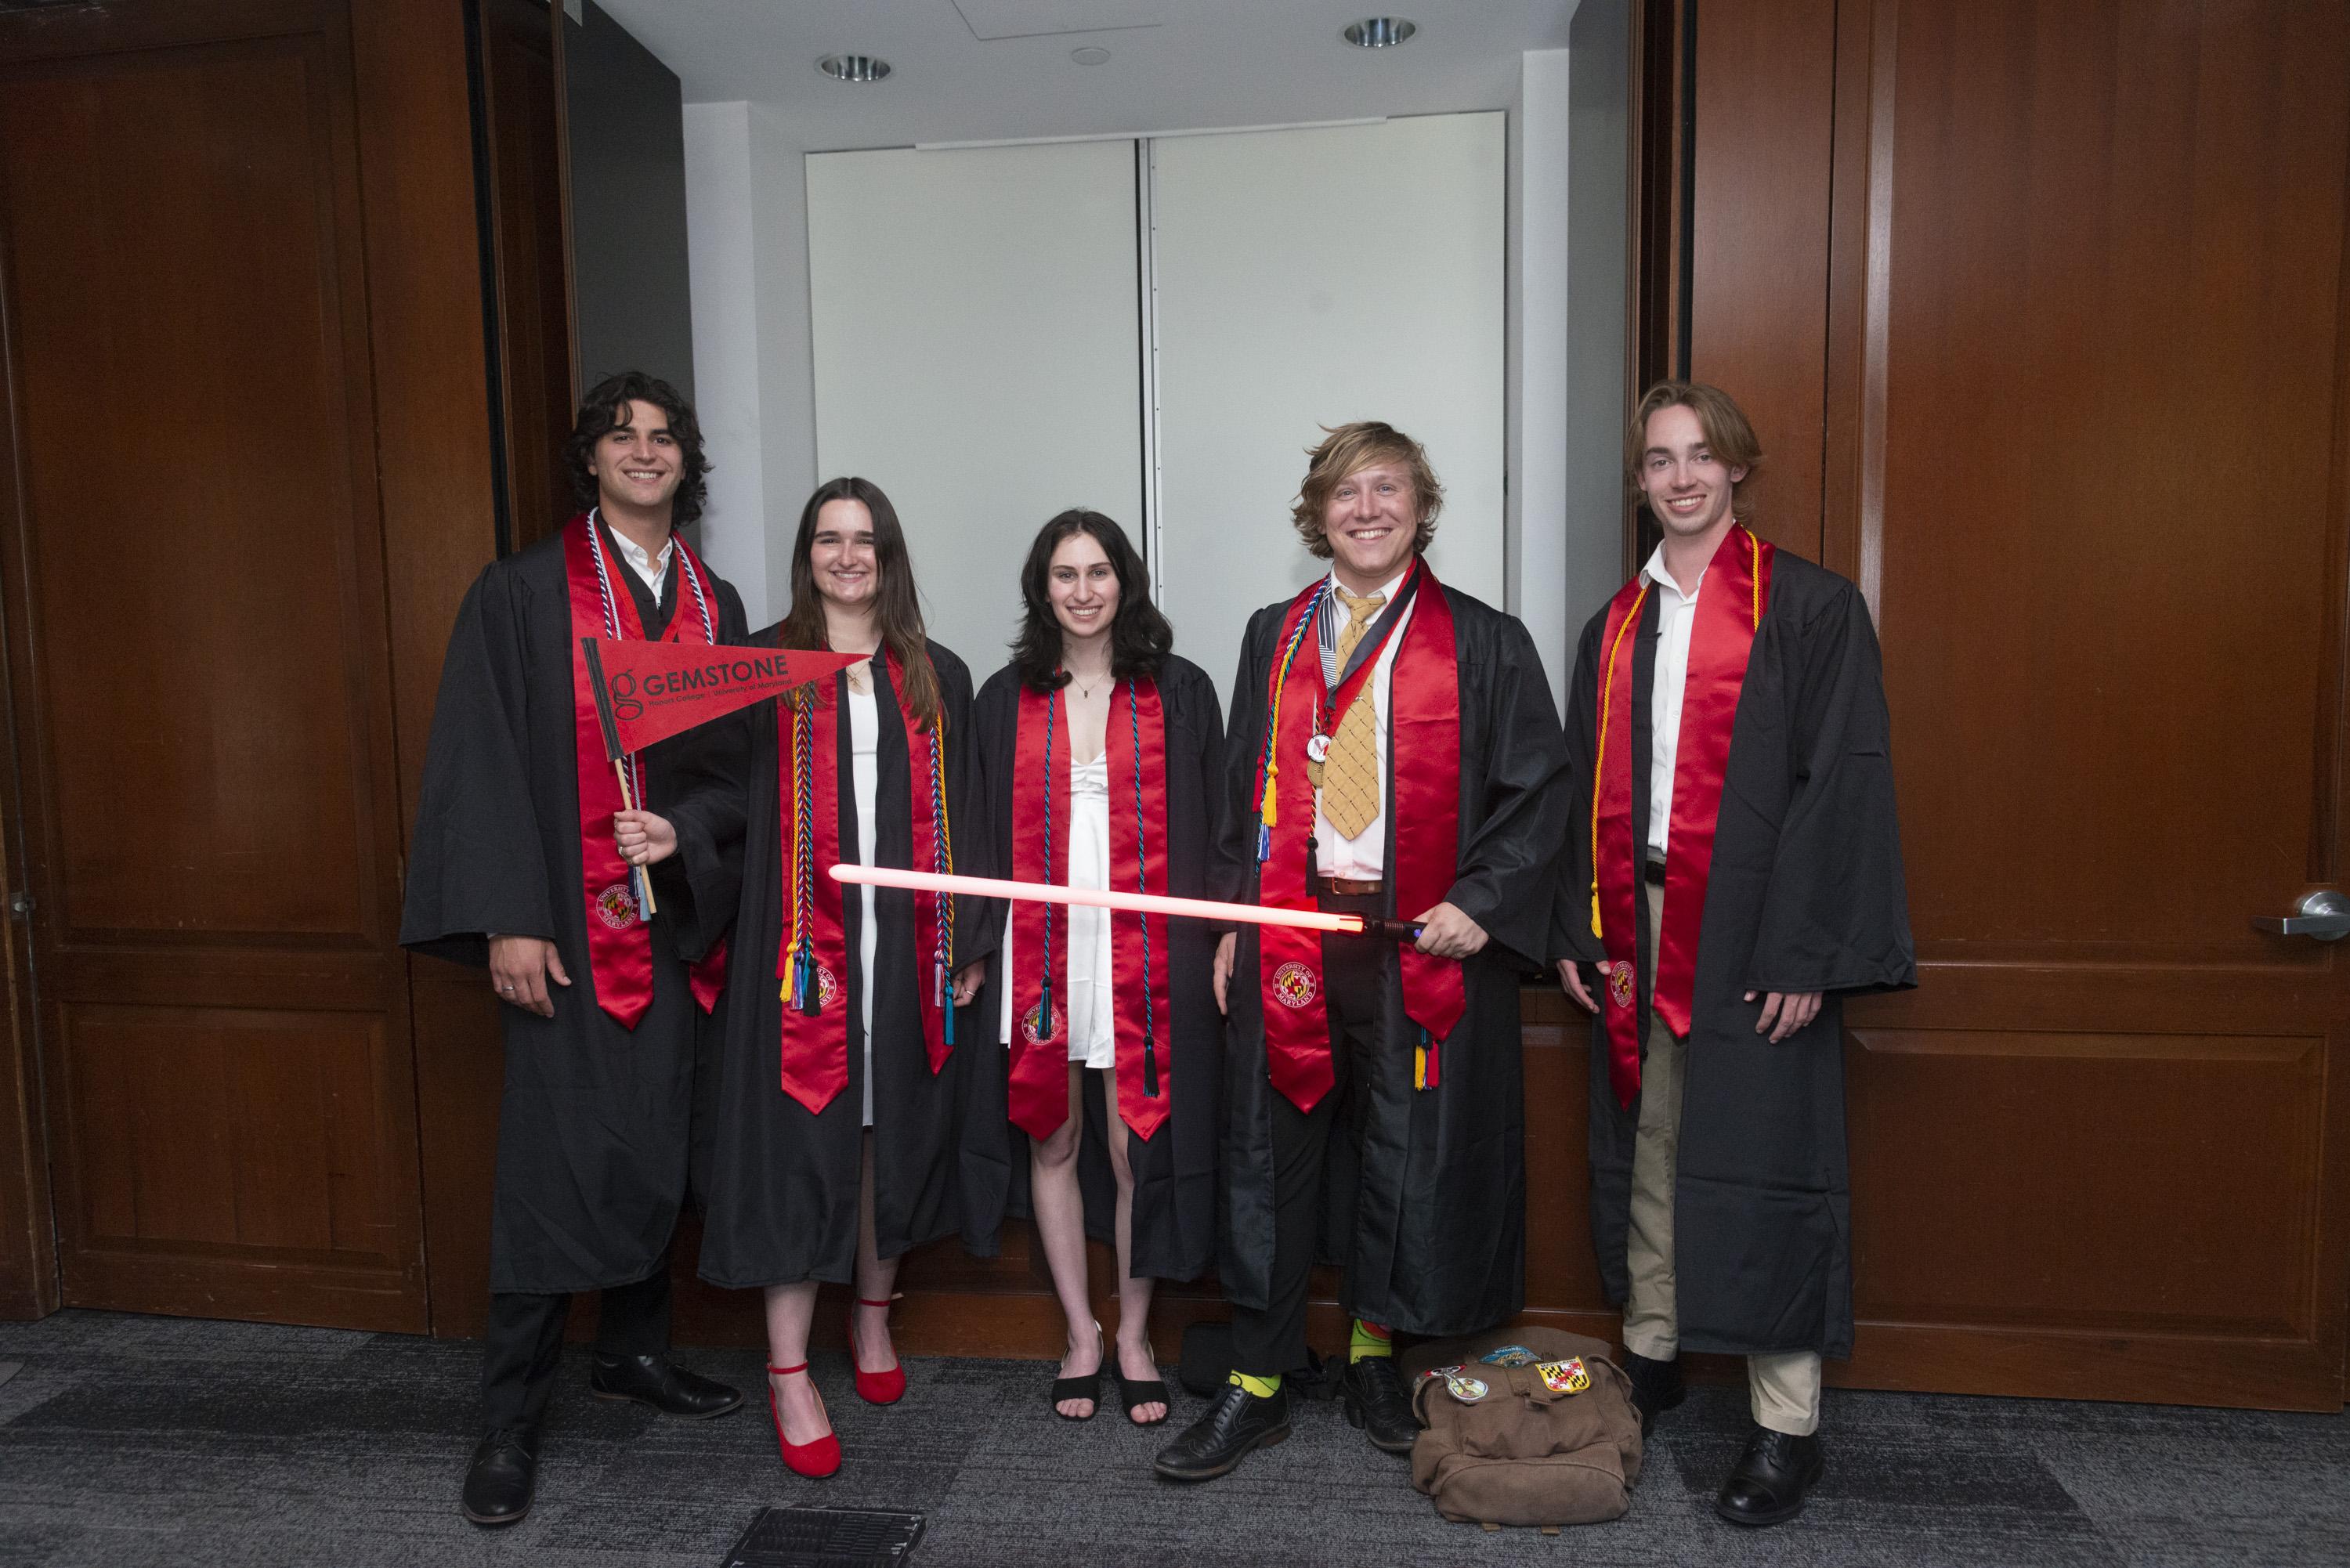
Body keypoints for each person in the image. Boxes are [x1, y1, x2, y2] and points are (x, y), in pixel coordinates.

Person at [1153, 422, 1572, 1483]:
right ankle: (1257, 1379)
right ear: (1318, 512)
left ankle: (1376, 1353)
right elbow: (1248, 783)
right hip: (1294, 932)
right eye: (1347, 491)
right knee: (1272, 1157)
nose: (1368, 507)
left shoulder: (1483, 639)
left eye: (1389, 489)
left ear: (1421, 507)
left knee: (1402, 1153)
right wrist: (1231, 926)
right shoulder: (1274, 633)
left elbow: (1539, 788)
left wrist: (1482, 901)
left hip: (1417, 940)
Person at [1554, 382, 1914, 1527]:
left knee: (1768, 1159)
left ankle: (1783, 1422)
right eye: (1660, 460)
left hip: (1759, 926)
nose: (1681, 477)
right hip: (1640, 914)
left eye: (1702, 456)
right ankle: (1653, 1351)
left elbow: (1842, 787)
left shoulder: (1809, 609)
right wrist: (1583, 926)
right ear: (1643, 480)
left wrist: (1807, 949)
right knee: (1649, 1139)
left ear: (1738, 469)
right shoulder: (1616, 625)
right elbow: (1581, 792)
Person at [400, 373, 750, 1528]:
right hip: (560, 926)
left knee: (655, 1140)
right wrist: (506, 912)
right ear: (591, 458)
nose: (644, 453)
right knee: (552, 1167)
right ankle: (506, 1419)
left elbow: (732, 779)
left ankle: (634, 1353)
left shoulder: (716, 601)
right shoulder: (522, 593)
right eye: (622, 436)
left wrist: (686, 832)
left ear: (683, 462)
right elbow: (483, 757)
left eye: (663, 438)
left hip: (670, 922)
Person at [621, 477, 991, 1479]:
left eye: (865, 539)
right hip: (798, 960)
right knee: (799, 1143)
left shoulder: (936, 673)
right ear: (807, 554)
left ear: (890, 555)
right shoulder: (765, 666)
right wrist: (678, 831)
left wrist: (970, 943)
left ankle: (874, 1319)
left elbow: (976, 818)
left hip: (907, 950)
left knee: (886, 1136)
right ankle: (789, 1367)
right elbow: (718, 794)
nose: (847, 555)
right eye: (828, 539)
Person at [964, 511, 1236, 1425]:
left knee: (1132, 1146)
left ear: (1126, 580)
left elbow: (1222, 826)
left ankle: (1133, 1333)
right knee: (1054, 1136)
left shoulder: (1181, 691)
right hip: (1043, 946)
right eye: (1064, 574)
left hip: (1145, 951)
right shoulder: (1005, 697)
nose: (1083, 591)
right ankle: (1081, 1330)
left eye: (1099, 572)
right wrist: (973, 945)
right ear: (1041, 588)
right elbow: (967, 833)